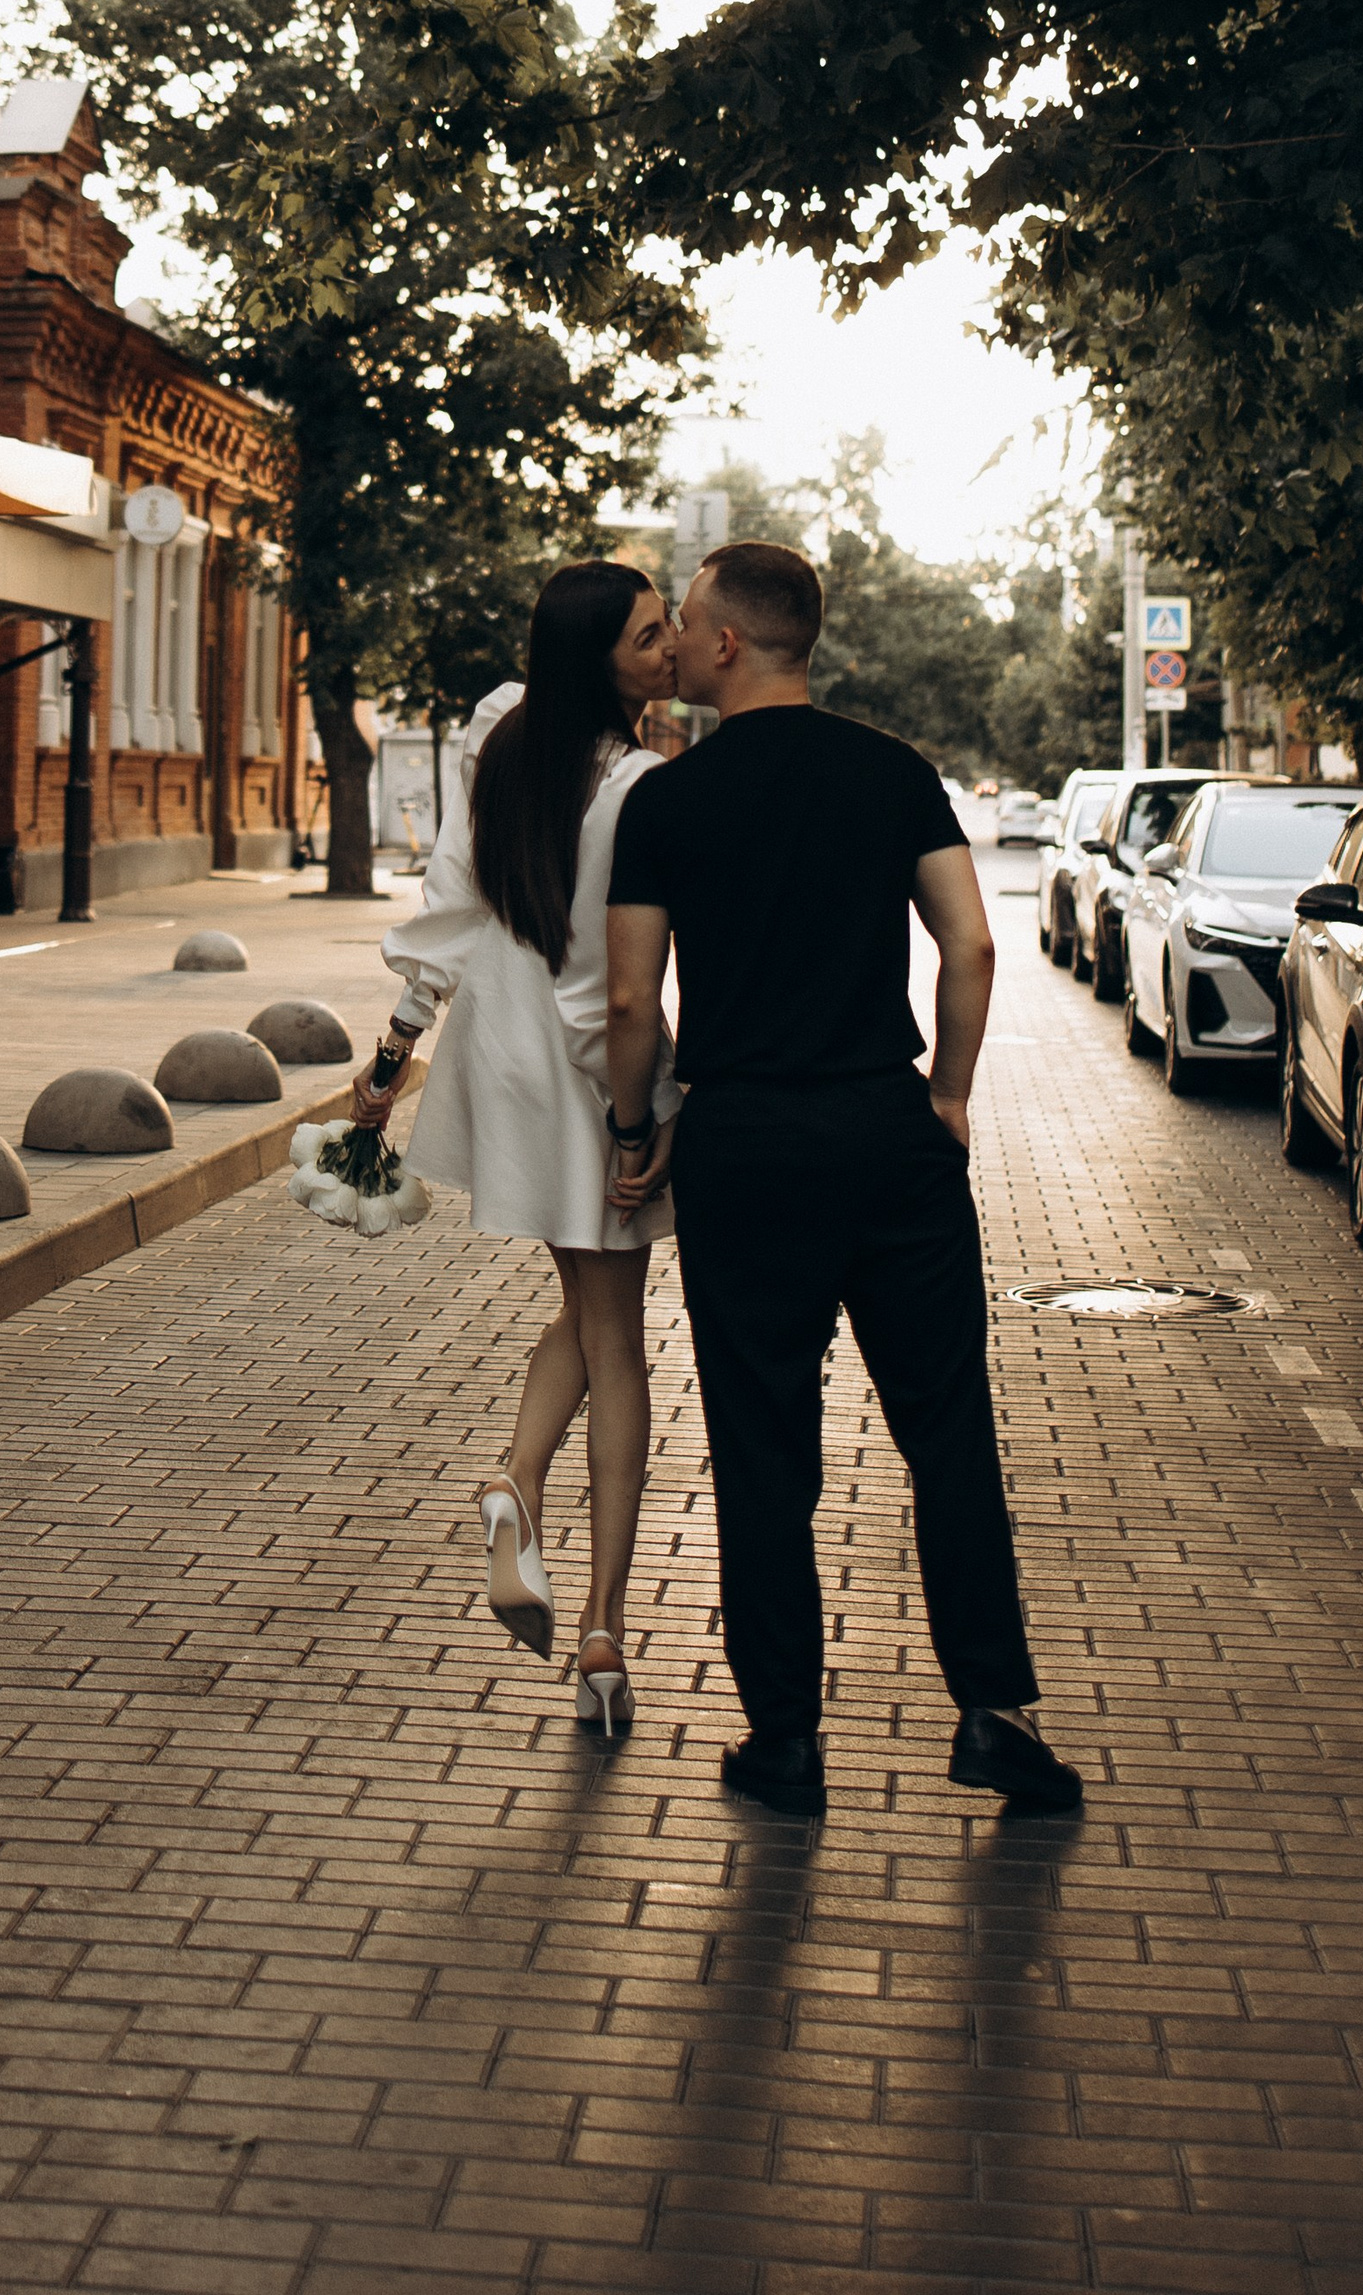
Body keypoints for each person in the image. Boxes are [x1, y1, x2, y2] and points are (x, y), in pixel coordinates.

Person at [604, 539, 1081, 1821]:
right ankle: (994, 1714)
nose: (680, 639)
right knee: (947, 1430)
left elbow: (631, 998)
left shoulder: (668, 801)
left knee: (765, 1449)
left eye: (689, 620)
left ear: (726, 645)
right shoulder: (894, 771)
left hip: (747, 1145)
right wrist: (948, 1094)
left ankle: (786, 1741)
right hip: (887, 1135)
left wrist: (630, 1123)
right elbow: (972, 943)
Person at [348, 561, 682, 1734]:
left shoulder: (501, 735)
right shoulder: (644, 783)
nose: (670, 646)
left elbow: (445, 903)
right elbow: (623, 989)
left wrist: (392, 1056)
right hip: (597, 1071)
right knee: (618, 1335)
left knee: (582, 1307)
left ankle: (516, 1478)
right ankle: (601, 1627)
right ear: (602, 658)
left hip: (503, 1057)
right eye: (649, 635)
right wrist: (642, 1115)